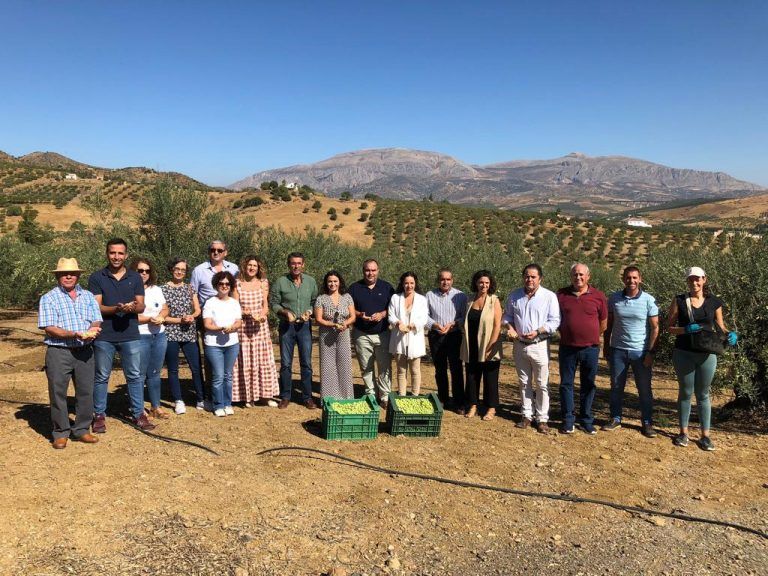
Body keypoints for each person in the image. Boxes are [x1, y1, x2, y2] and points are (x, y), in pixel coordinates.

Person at [667, 266, 737, 451]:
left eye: (698, 279)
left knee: (704, 394)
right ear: (687, 281)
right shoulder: (679, 300)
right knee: (685, 392)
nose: (694, 282)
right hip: (683, 353)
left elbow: (721, 326)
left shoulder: (714, 302)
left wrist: (730, 334)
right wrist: (684, 330)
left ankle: (706, 436)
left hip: (707, 354)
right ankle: (683, 433)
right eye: (691, 279)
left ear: (704, 279)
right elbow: (669, 327)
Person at [88, 238, 153, 432]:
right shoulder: (97, 277)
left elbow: (141, 304)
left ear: (126, 255)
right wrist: (115, 308)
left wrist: (133, 307)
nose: (116, 257)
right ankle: (99, 415)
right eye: (112, 253)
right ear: (107, 253)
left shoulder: (134, 277)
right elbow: (96, 307)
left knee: (134, 376)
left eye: (120, 253)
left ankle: (138, 413)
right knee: (101, 376)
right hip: (104, 336)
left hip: (130, 334)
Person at [38, 257, 103, 449]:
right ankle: (60, 432)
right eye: (64, 274)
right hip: (59, 351)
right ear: (58, 276)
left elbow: (96, 320)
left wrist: (93, 330)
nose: (68, 276)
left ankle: (82, 429)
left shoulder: (88, 296)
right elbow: (50, 328)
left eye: (72, 273)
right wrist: (74, 334)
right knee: (58, 392)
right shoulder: (49, 298)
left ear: (78, 275)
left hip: (85, 351)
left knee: (85, 391)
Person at [502, 263, 560, 434]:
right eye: (527, 276)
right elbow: (507, 316)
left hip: (539, 345)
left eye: (533, 276)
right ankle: (527, 415)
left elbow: (554, 321)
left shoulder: (549, 296)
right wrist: (510, 328)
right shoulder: (515, 295)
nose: (530, 279)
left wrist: (538, 331)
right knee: (524, 382)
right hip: (519, 346)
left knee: (542, 384)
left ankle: (542, 419)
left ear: (540, 278)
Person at [602, 266, 660, 438]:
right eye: (628, 277)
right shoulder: (614, 299)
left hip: (640, 352)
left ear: (640, 279)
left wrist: (651, 352)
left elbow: (655, 328)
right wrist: (606, 346)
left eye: (635, 278)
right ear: (623, 279)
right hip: (618, 350)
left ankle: (647, 422)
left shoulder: (649, 300)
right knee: (616, 386)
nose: (631, 281)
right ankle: (615, 418)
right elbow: (609, 325)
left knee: (644, 389)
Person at [556, 263, 608, 435]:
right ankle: (568, 420)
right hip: (567, 348)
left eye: (581, 275)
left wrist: (589, 335)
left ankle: (586, 420)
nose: (578, 277)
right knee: (566, 384)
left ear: (588, 276)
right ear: (570, 276)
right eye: (574, 274)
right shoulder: (561, 295)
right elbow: (556, 319)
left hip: (590, 349)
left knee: (588, 385)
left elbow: (603, 323)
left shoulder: (599, 296)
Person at [190, 240, 239, 407]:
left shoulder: (233, 268)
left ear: (226, 252)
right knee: (211, 361)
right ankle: (211, 397)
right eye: (212, 249)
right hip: (208, 319)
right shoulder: (199, 270)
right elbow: (193, 293)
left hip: (229, 318)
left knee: (226, 365)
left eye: (219, 250)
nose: (216, 252)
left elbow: (235, 291)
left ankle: (227, 398)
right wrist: (197, 313)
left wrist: (236, 310)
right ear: (209, 251)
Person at [269, 252, 318, 409]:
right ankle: (285, 396)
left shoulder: (310, 282)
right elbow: (274, 303)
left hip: (304, 327)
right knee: (286, 363)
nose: (296, 266)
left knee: (306, 363)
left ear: (303, 265)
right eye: (292, 263)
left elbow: (314, 301)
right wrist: (285, 313)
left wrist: (310, 311)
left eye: (298, 263)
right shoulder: (280, 282)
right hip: (286, 326)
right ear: (288, 265)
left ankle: (307, 397)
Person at [232, 255, 279, 407]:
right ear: (244, 267)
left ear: (259, 268)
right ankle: (248, 397)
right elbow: (234, 305)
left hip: (260, 327)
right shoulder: (237, 283)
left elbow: (265, 304)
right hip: (244, 327)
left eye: (255, 266)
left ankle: (266, 395)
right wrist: (245, 312)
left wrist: (263, 315)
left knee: (263, 360)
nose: (252, 268)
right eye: (249, 265)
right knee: (245, 361)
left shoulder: (263, 283)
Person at [349, 259, 395, 409]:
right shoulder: (355, 288)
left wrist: (382, 314)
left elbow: (394, 308)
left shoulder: (387, 287)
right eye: (368, 270)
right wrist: (359, 314)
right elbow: (349, 308)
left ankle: (385, 396)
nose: (371, 273)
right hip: (361, 334)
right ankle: (370, 394)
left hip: (382, 333)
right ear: (363, 271)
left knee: (384, 366)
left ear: (378, 271)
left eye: (373, 270)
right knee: (366, 366)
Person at [161, 258, 204, 414]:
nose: (179, 272)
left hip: (189, 333)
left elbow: (197, 309)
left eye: (183, 270)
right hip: (171, 333)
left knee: (196, 367)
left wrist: (193, 316)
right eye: (177, 268)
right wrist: (180, 320)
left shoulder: (189, 288)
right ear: (171, 269)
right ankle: (178, 400)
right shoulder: (162, 289)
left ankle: (200, 398)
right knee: (173, 369)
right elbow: (162, 317)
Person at [460, 270, 503, 420]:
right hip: (471, 344)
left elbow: (498, 325)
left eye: (486, 282)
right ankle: (473, 405)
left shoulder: (494, 300)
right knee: (472, 376)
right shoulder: (470, 300)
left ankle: (491, 408)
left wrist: (491, 345)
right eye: (481, 282)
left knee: (490, 377)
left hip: (489, 345)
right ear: (476, 283)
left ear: (490, 284)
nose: (483, 285)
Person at [131, 258, 169, 420]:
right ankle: (139, 409)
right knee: (139, 374)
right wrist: (148, 319)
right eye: (140, 271)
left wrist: (161, 316)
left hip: (159, 335)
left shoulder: (156, 289)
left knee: (155, 372)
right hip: (141, 335)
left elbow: (166, 308)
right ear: (134, 271)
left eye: (147, 271)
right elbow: (130, 316)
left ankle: (155, 406)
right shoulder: (129, 289)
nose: (144, 274)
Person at [426, 268, 467, 409]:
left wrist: (453, 324)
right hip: (436, 336)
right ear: (439, 280)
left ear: (452, 280)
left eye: (448, 279)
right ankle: (443, 398)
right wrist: (435, 325)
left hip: (454, 335)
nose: (445, 282)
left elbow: (464, 316)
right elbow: (425, 316)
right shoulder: (429, 295)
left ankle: (459, 401)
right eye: (443, 279)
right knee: (440, 369)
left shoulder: (460, 296)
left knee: (456, 369)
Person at [202, 271, 242, 417]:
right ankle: (218, 404)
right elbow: (207, 324)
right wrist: (221, 328)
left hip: (232, 344)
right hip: (214, 345)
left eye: (227, 284)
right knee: (218, 376)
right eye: (221, 283)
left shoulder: (234, 303)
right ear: (216, 285)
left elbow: (239, 321)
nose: (224, 286)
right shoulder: (210, 302)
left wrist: (233, 327)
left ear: (231, 286)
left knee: (228, 375)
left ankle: (227, 403)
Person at [314, 270, 356, 399]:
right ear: (326, 283)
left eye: (335, 281)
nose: (332, 284)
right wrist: (332, 324)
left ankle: (346, 397)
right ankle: (329, 398)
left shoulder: (347, 297)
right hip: (326, 335)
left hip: (343, 334)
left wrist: (345, 323)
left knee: (345, 364)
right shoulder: (321, 298)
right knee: (328, 365)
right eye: (330, 281)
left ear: (340, 282)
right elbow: (318, 319)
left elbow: (353, 316)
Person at [388, 271, 429, 397]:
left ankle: (415, 395)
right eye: (406, 283)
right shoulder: (395, 298)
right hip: (399, 338)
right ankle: (402, 395)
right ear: (402, 284)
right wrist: (397, 323)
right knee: (401, 370)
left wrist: (414, 325)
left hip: (415, 339)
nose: (409, 286)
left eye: (412, 283)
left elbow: (424, 318)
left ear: (415, 284)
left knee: (415, 370)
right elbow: (391, 315)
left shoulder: (421, 299)